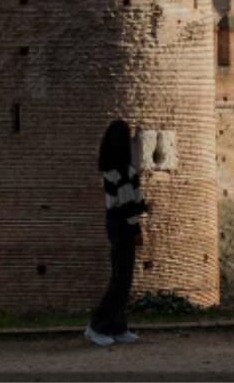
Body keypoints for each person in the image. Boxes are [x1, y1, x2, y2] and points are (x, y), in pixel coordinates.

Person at [85, 118, 149, 346]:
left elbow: (133, 198)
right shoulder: (117, 172)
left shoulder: (120, 170)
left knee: (124, 278)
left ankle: (118, 326)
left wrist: (142, 207)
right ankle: (97, 326)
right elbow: (124, 204)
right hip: (121, 225)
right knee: (120, 278)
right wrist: (136, 228)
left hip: (118, 223)